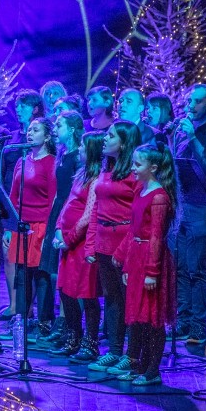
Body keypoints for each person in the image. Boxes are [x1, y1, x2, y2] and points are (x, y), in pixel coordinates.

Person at [110, 142, 178, 386]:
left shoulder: (159, 197)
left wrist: (152, 272)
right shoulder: (140, 190)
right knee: (137, 317)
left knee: (152, 318)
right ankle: (137, 364)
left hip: (152, 259)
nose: (133, 168)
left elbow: (157, 236)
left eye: (138, 164)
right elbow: (133, 230)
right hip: (137, 257)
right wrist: (124, 260)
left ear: (154, 167)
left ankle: (152, 370)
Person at [170, 84, 206, 344]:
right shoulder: (181, 132)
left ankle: (197, 325)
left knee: (196, 269)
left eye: (197, 101)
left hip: (202, 208)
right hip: (180, 207)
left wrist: (193, 138)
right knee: (180, 268)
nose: (191, 106)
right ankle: (182, 320)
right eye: (189, 100)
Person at [84, 120, 142, 372]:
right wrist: (90, 244)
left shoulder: (134, 172)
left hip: (126, 242)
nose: (104, 139)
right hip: (104, 241)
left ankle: (131, 354)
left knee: (130, 299)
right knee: (112, 298)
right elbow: (96, 208)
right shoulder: (107, 169)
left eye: (110, 135)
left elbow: (140, 215)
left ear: (125, 142)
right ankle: (115, 350)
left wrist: (124, 249)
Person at [50, 131, 105, 362]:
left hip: (81, 244)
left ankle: (90, 343)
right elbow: (67, 205)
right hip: (67, 243)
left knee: (87, 293)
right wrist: (58, 229)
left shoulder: (96, 179)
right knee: (65, 291)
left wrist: (69, 238)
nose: (79, 149)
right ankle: (73, 336)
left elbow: (87, 215)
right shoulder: (80, 174)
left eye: (83, 146)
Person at [3, 117, 57, 335]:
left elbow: (54, 199)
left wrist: (49, 231)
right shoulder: (22, 161)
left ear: (47, 136)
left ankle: (45, 323)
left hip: (41, 224)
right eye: (29, 129)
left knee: (41, 275)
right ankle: (21, 320)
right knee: (21, 274)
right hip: (21, 225)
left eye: (36, 130)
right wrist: (9, 226)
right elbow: (14, 197)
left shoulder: (52, 162)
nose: (30, 133)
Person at [35, 110, 84, 348]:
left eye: (60, 124)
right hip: (58, 211)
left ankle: (70, 325)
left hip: (71, 211)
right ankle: (62, 322)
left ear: (73, 129)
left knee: (67, 272)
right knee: (54, 270)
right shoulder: (62, 155)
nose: (55, 128)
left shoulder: (77, 157)